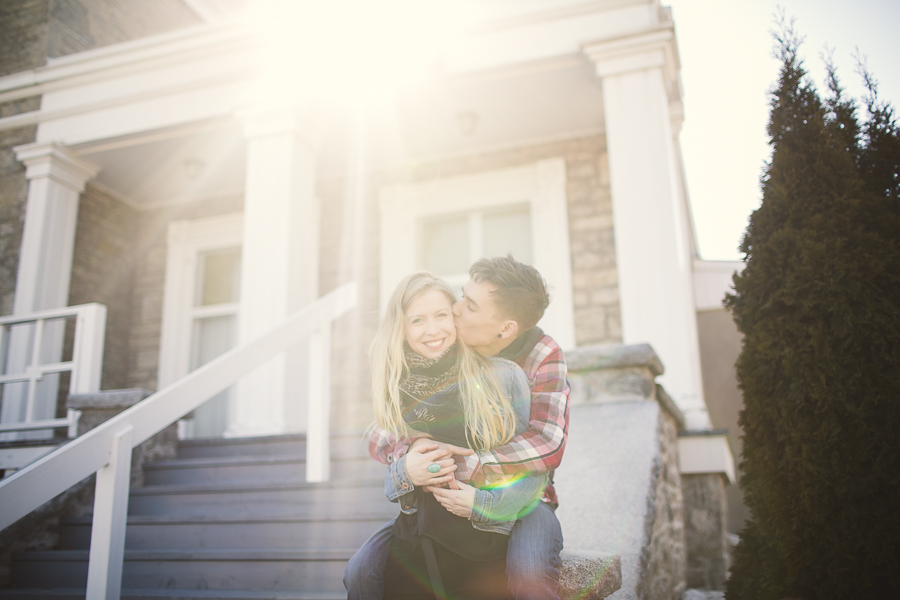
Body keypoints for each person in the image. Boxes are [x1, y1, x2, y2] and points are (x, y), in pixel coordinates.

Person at [345, 256, 569, 600]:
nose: (456, 308)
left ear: (505, 328)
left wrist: (473, 470)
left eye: (469, 304)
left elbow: (547, 443)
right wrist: (410, 454)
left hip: (525, 498)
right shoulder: (447, 346)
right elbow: (381, 430)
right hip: (442, 506)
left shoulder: (539, 355)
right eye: (462, 296)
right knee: (361, 571)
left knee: (529, 576)